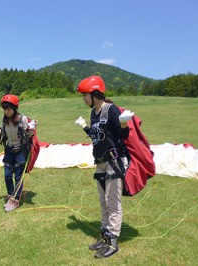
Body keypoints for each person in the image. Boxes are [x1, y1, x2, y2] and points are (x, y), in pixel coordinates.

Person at [75, 76, 134, 258]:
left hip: (114, 162)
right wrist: (85, 126)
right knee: (103, 202)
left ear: (94, 94)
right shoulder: (94, 113)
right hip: (99, 162)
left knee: (113, 202)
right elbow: (96, 135)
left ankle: (113, 241)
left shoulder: (111, 110)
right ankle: (104, 235)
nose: (84, 99)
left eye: (85, 95)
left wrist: (124, 123)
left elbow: (124, 135)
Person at [0, 94, 36, 212]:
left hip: (20, 151)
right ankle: (10, 195)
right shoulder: (5, 119)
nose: (6, 111)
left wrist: (31, 130)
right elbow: (2, 132)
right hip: (9, 150)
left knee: (18, 176)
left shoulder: (22, 119)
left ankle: (15, 200)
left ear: (14, 108)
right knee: (7, 175)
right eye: (4, 108)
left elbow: (27, 135)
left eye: (8, 108)